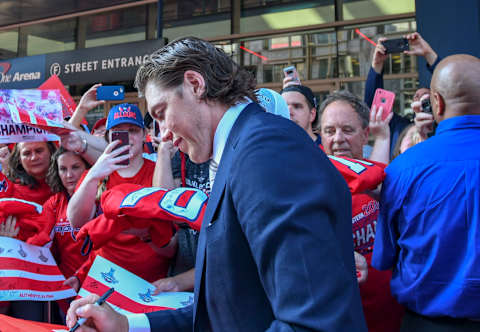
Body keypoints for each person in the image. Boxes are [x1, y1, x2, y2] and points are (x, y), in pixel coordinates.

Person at [67, 36, 367, 332]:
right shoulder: (243, 151)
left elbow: (312, 323)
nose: (165, 136)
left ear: (195, 84)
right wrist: (126, 325)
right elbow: (226, 308)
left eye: (162, 113)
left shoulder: (266, 151)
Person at [372, 54, 480, 331]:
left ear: (437, 102)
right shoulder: (405, 168)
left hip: (427, 324)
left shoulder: (403, 169)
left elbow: (384, 257)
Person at [318, 90, 404, 332]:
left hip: (390, 314)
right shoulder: (307, 187)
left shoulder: (385, 180)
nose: (338, 139)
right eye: (329, 131)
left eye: (347, 130)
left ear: (365, 134)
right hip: (336, 318)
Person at [67, 103, 174, 284]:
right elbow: (76, 221)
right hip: (105, 278)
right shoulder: (97, 174)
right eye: (119, 131)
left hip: (151, 282)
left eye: (133, 130)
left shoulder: (159, 171)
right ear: (109, 137)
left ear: (143, 135)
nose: (128, 138)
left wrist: (146, 233)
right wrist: (93, 175)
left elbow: (171, 239)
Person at [365, 32, 438, 158]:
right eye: (416, 96)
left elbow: (451, 86)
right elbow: (374, 106)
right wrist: (377, 64)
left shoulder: (440, 127)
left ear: (437, 101)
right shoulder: (398, 126)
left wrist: (429, 54)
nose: (419, 99)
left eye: (425, 97)